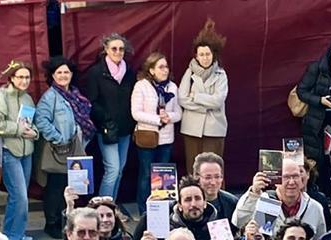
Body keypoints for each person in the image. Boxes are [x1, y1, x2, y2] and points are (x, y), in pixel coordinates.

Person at [35, 56, 93, 239]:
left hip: (75, 148)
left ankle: (65, 222)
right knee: (55, 187)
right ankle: (51, 223)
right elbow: (41, 121)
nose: (63, 75)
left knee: (71, 187)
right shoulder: (50, 97)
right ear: (52, 75)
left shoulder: (75, 94)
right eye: (59, 72)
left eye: (66, 72)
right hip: (58, 150)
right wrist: (58, 138)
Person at [0, 63, 37, 240]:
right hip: (8, 152)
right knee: (19, 196)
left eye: (27, 77)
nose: (24, 81)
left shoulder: (28, 98)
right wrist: (19, 130)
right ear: (12, 78)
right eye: (20, 77)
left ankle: (18, 233)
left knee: (21, 197)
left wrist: (34, 133)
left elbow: (32, 124)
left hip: (26, 152)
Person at [84, 32, 136, 202]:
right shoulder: (96, 73)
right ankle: (101, 207)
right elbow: (92, 101)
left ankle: (111, 206)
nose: (118, 52)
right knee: (112, 169)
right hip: (106, 128)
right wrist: (105, 119)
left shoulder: (129, 73)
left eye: (121, 49)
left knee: (119, 170)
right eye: (114, 48)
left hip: (125, 129)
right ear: (106, 49)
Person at [131, 51, 182, 209]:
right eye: (160, 67)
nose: (165, 70)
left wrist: (169, 117)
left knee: (163, 176)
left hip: (166, 139)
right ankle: (144, 210)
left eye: (166, 67)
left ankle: (161, 210)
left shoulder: (172, 87)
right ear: (151, 70)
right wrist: (157, 119)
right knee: (146, 174)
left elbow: (179, 113)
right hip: (147, 137)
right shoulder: (141, 86)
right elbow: (136, 113)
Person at [233, 159, 328, 240]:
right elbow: (239, 222)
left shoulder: (315, 207)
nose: (291, 182)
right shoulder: (264, 201)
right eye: (286, 177)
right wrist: (253, 194)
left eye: (295, 176)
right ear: (276, 180)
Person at [177, 20, 229, 167]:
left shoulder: (221, 74)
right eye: (202, 54)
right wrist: (205, 106)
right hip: (191, 128)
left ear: (213, 55)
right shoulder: (189, 72)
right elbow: (182, 98)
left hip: (214, 129)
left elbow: (218, 101)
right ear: (196, 56)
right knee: (193, 168)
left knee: (213, 168)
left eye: (207, 54)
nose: (205, 57)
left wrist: (197, 97)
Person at [194, 151, 239, 222]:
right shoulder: (188, 203)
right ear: (197, 177)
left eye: (217, 177)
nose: (213, 182)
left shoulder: (232, 203)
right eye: (208, 177)